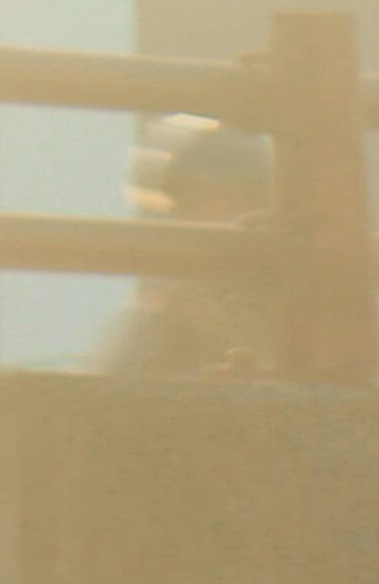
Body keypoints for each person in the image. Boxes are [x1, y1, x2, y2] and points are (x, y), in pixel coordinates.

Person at [101, 117, 274, 384]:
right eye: (189, 202)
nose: (185, 216)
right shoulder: (155, 324)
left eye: (200, 200)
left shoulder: (296, 314)